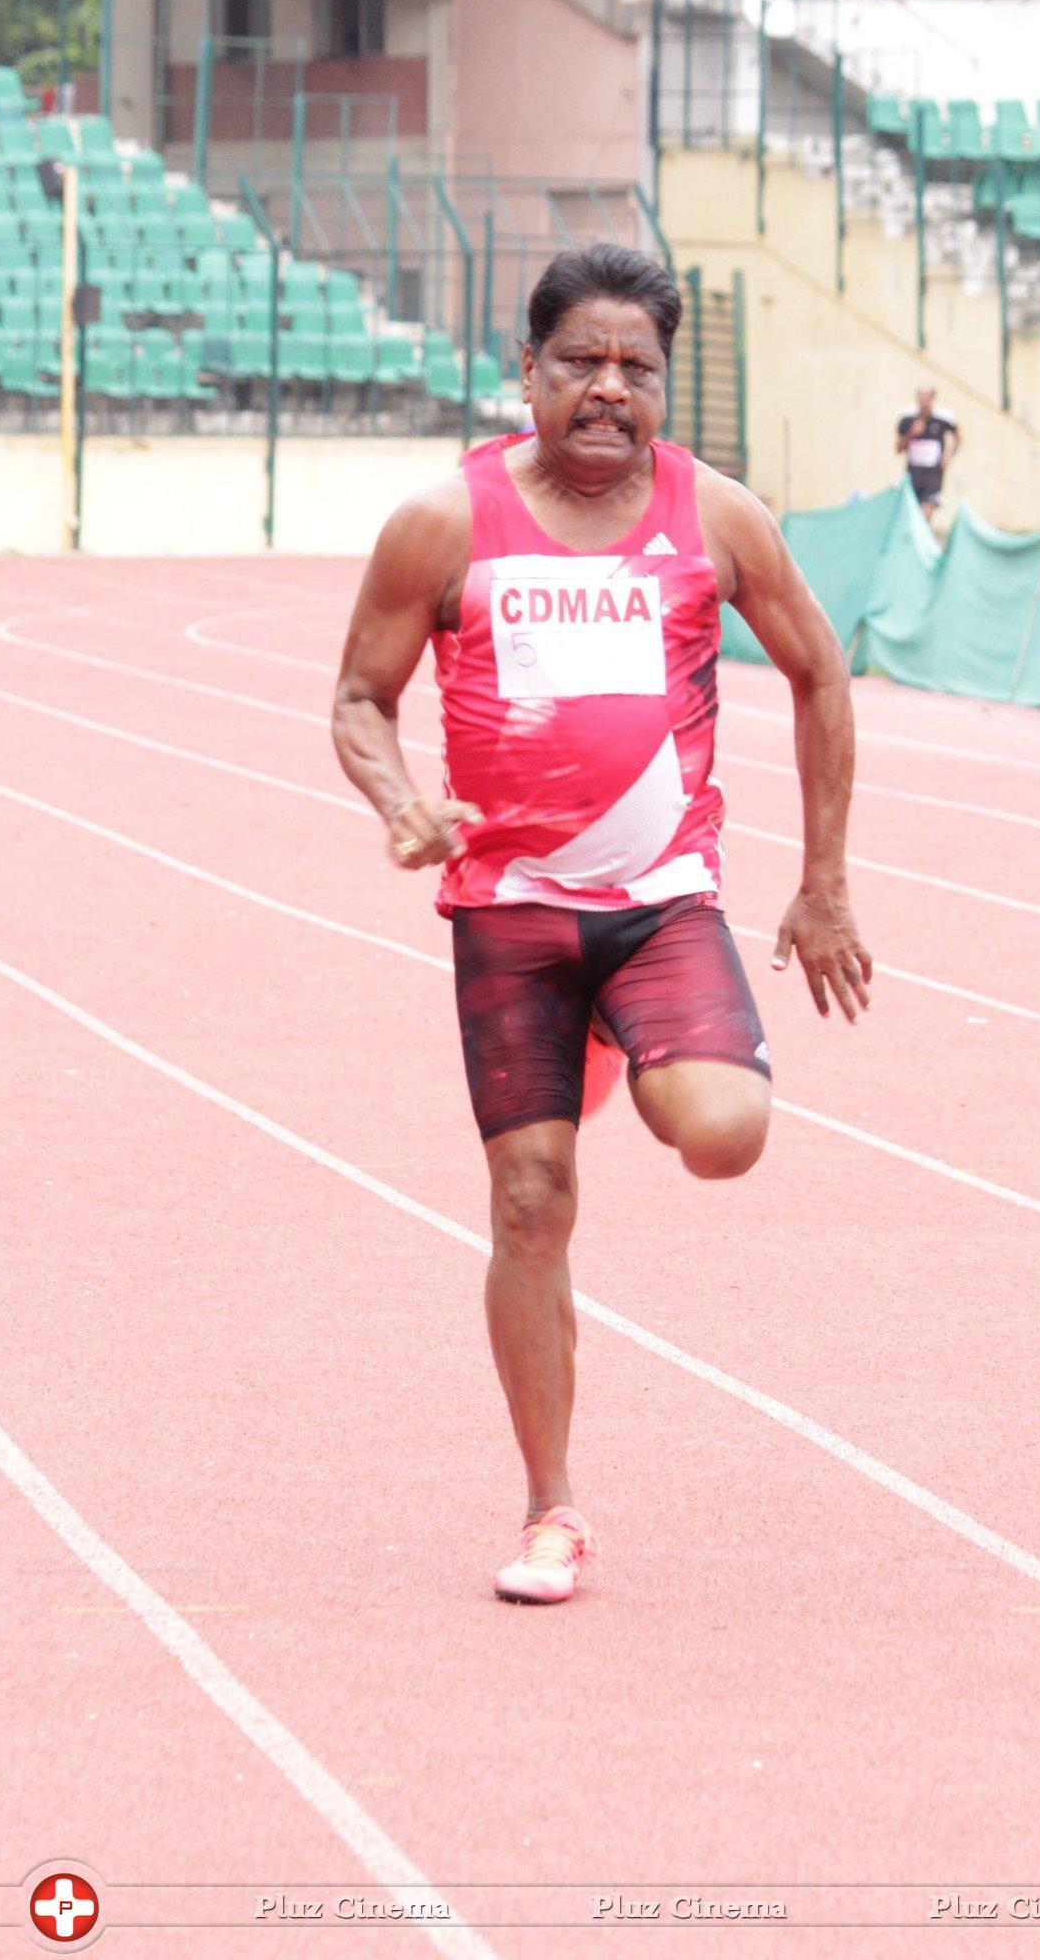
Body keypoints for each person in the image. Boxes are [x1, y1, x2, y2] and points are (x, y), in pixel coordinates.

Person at [333, 244, 871, 1606]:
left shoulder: (718, 518)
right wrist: (402, 799)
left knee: (724, 1133)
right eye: (579, 360)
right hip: (510, 917)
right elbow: (356, 694)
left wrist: (822, 881)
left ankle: (642, 1048)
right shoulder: (441, 524)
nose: (607, 389)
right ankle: (552, 1508)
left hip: (659, 906)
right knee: (529, 1200)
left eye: (637, 367)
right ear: (527, 369)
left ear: (661, 387)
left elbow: (817, 670)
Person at [895, 384, 960, 519]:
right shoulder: (907, 418)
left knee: (925, 513)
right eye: (919, 395)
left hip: (933, 475)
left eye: (926, 395)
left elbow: (957, 438)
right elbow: (898, 448)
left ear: (932, 397)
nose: (922, 399)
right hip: (913, 474)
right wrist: (911, 434)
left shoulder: (943, 418)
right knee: (910, 513)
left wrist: (949, 455)